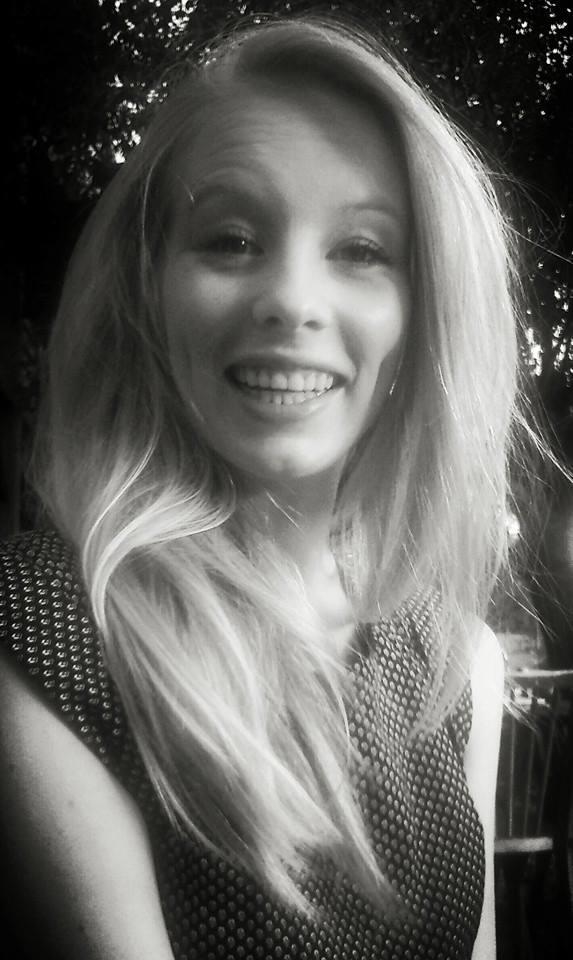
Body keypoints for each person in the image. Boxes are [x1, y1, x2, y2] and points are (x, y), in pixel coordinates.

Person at [0, 13, 512, 960]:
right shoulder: (42, 629)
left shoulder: (459, 663)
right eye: (231, 239)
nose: (290, 300)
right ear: (149, 286)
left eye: (361, 250)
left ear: (423, 311)